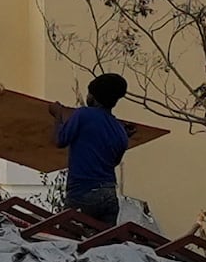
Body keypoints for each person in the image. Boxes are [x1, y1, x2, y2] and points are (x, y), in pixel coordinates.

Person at [54, 74, 158, 233]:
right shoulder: (121, 132)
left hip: (83, 192)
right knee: (103, 246)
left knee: (67, 240)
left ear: (94, 98)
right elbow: (112, 161)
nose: (87, 96)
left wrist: (57, 115)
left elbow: (60, 140)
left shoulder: (83, 115)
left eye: (89, 93)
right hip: (109, 195)